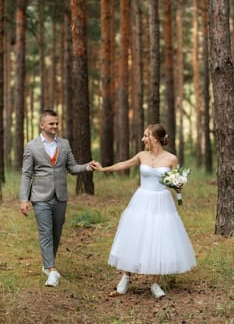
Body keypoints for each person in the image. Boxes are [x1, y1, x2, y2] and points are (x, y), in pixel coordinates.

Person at [93, 124, 196, 297]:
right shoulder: (142, 155)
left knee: (159, 238)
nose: (143, 139)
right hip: (141, 200)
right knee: (135, 235)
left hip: (162, 201)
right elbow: (124, 164)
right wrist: (104, 169)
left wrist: (178, 185)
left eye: (146, 136)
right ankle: (126, 277)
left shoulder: (171, 159)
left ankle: (155, 282)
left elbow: (178, 184)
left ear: (155, 138)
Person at [19, 109, 95, 287]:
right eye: (51, 123)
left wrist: (87, 167)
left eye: (56, 123)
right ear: (42, 125)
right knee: (45, 232)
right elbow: (26, 174)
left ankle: (47, 264)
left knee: (56, 232)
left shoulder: (64, 144)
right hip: (40, 197)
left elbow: (72, 168)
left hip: (60, 196)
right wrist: (24, 199)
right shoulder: (31, 146)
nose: (55, 126)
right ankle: (52, 270)